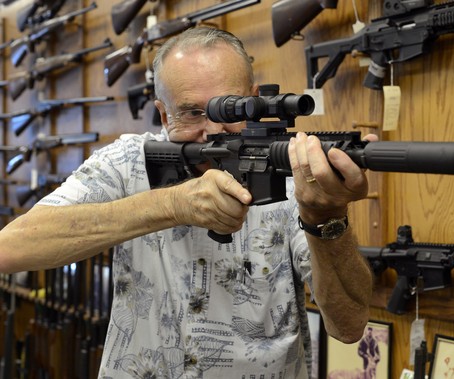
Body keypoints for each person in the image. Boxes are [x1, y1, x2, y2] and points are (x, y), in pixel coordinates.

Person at [0, 27, 374, 378]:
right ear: (163, 113)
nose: (212, 129)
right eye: (193, 112)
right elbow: (11, 248)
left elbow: (349, 325)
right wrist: (171, 205)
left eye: (232, 108)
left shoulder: (293, 175)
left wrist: (325, 219)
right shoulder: (129, 163)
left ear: (255, 99)